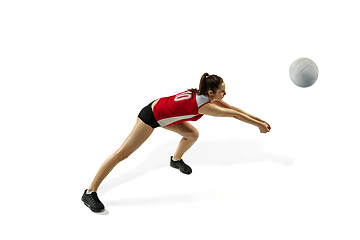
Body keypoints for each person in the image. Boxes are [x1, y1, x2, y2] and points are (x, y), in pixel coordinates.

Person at [81, 73, 271, 212]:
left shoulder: (204, 95)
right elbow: (233, 114)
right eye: (223, 91)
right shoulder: (204, 105)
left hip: (165, 114)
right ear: (212, 92)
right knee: (122, 154)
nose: (225, 94)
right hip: (151, 116)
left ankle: (175, 159)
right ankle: (90, 192)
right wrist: (258, 126)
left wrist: (260, 121)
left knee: (192, 134)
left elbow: (233, 108)